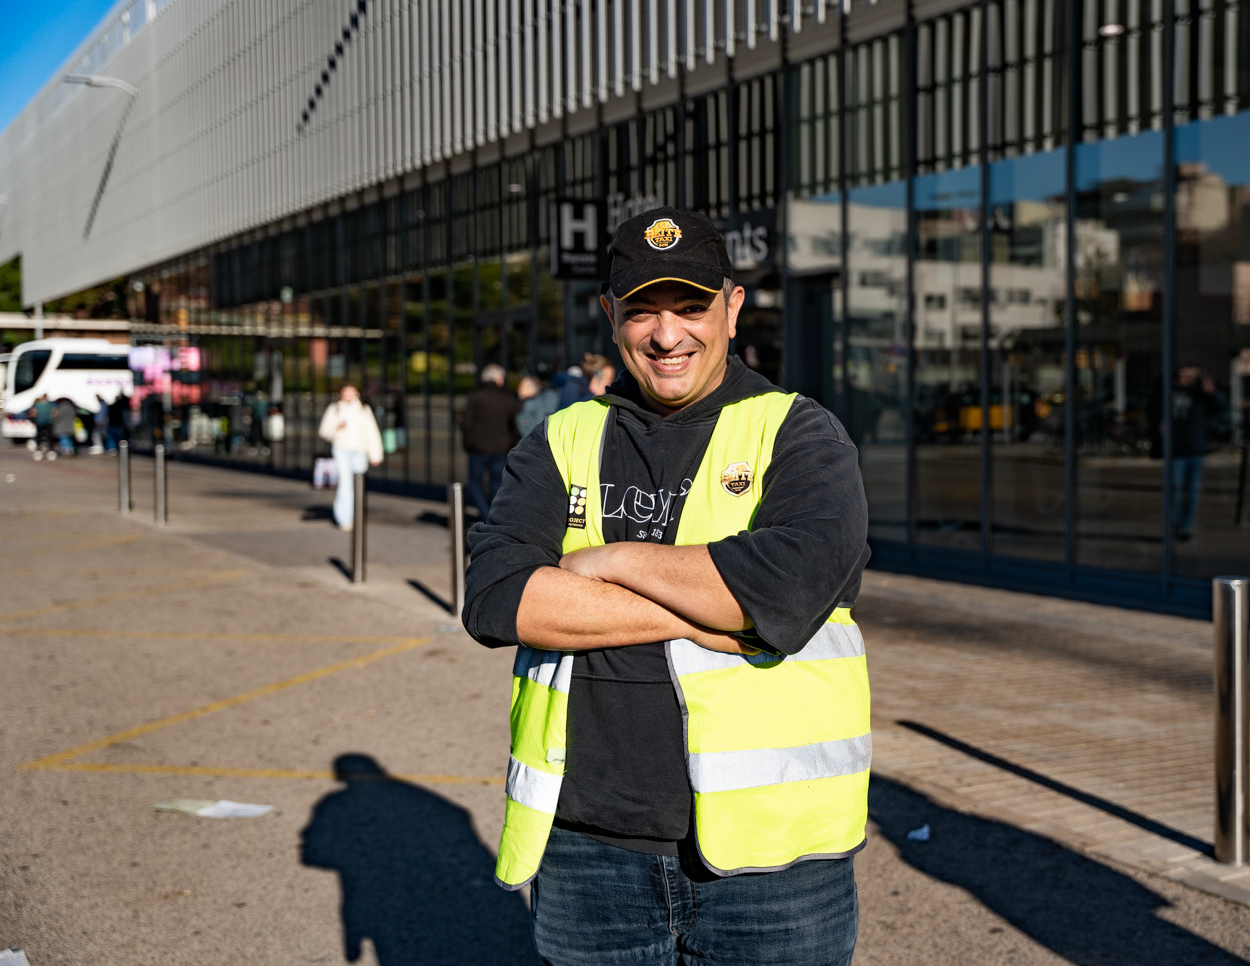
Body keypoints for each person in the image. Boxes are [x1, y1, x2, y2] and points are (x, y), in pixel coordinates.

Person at [464, 206, 872, 966]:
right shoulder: (561, 438)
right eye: (643, 309)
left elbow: (786, 587)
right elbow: (497, 598)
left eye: (690, 306)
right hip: (589, 853)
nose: (666, 333)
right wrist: (710, 612)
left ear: (733, 305)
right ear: (608, 314)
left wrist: (611, 559)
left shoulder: (800, 433)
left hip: (775, 866)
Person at [317, 383, 385, 531]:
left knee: (358, 485)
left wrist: (376, 454)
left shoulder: (364, 410)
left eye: (352, 392)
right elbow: (324, 431)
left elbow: (373, 433)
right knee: (345, 484)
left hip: (360, 452)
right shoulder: (334, 409)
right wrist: (336, 427)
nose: (348, 395)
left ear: (357, 394)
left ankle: (357, 516)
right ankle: (345, 519)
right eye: (345, 392)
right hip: (341, 450)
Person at [1165, 365, 1221, 542]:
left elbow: (1220, 408)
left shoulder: (1200, 394)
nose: (1186, 378)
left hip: (1195, 448)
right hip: (1176, 449)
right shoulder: (1169, 391)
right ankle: (1175, 523)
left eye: (1190, 376)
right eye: (1183, 375)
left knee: (1192, 490)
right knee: (1175, 489)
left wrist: (1211, 392)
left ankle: (1185, 526)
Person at [461, 364, 522, 517]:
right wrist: (512, 445)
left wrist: (468, 444)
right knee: (498, 485)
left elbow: (466, 423)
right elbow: (514, 426)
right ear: (499, 379)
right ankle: (493, 516)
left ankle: (485, 513)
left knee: (475, 484)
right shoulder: (508, 398)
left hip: (478, 449)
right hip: (501, 449)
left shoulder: (475, 396)